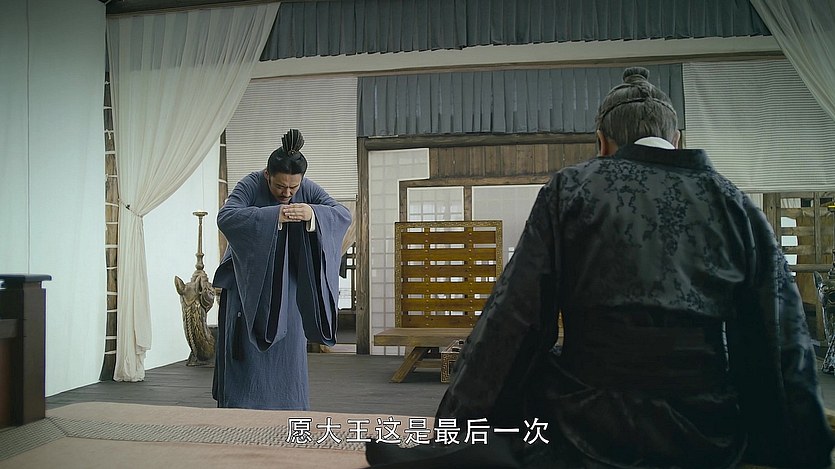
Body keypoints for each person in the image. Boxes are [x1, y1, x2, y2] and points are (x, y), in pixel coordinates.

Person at [366, 67, 834, 468]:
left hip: (589, 426)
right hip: (703, 431)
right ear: (677, 140)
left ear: (603, 143)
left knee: (524, 400)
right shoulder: (735, 204)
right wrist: (796, 447)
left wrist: (454, 430)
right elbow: (779, 338)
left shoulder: (572, 190)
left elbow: (515, 320)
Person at [212, 129, 351, 410]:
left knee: (288, 351)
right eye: (280, 187)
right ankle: (241, 410)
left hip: (288, 285)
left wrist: (312, 214)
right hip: (248, 282)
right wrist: (274, 215)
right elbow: (226, 217)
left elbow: (342, 214)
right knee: (248, 351)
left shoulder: (306, 188)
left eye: (293, 188)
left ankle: (289, 409)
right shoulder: (250, 183)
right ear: (267, 175)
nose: (287, 193)